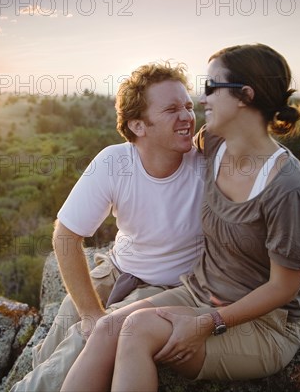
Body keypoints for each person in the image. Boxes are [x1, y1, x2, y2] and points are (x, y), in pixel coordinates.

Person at [61, 43, 300, 391]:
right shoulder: (214, 144)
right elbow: (162, 150)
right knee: (106, 329)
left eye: (212, 88)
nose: (202, 101)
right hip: (198, 293)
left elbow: (283, 288)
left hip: (263, 323)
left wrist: (207, 323)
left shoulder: (290, 190)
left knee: (137, 331)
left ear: (245, 96)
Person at [11, 62, 206, 391]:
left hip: (168, 286)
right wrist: (90, 312)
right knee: (66, 321)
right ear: (138, 126)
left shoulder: (206, 162)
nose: (187, 116)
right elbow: (66, 235)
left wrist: (97, 323)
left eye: (188, 105)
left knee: (84, 341)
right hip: (119, 269)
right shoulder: (114, 162)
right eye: (172, 109)